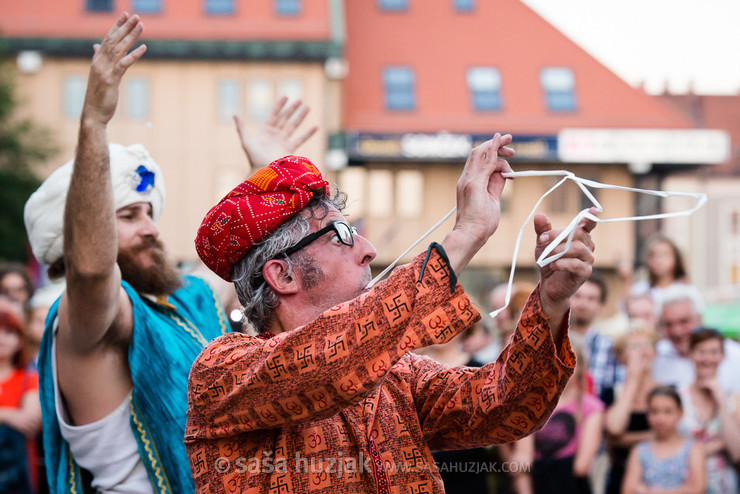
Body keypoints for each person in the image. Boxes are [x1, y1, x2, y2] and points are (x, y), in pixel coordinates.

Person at [185, 120, 598, 492]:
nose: (368, 250)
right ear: (283, 275)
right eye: (341, 235)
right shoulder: (221, 371)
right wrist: (465, 234)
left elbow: (507, 405)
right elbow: (329, 362)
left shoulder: (397, 372)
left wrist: (552, 301)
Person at [21, 14, 316, 494]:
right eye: (129, 215)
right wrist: (94, 123)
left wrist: (266, 167)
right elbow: (94, 269)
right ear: (79, 233)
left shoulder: (182, 306)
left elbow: (235, 254)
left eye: (150, 212)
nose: (152, 228)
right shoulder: (87, 319)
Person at [517, 337, 606, 494]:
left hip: (571, 485)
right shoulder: (529, 406)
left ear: (581, 368)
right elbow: (522, 461)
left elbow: (582, 467)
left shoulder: (591, 408)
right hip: (538, 483)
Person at [677, 328, 740, 494]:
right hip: (682, 483)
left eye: (714, 352)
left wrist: (719, 397)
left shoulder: (733, 399)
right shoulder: (677, 397)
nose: (707, 358)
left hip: (723, 485)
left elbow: (737, 452)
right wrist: (717, 445)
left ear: (723, 356)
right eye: (701, 351)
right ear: (690, 354)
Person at [652, 284, 740, 392]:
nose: (677, 331)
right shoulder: (655, 357)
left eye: (683, 321)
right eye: (669, 324)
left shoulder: (734, 356)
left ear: (699, 318)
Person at [603, 325, 659, 494]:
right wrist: (633, 381)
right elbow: (613, 429)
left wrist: (625, 439)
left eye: (647, 345)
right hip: (622, 476)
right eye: (633, 347)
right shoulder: (611, 392)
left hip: (661, 478)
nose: (641, 352)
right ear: (620, 356)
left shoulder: (670, 390)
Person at [621, 386, 705, 494]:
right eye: (654, 411)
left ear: (680, 413)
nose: (660, 419)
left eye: (668, 411)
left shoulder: (693, 448)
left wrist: (649, 492)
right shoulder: (640, 450)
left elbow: (698, 489)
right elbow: (628, 489)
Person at [0, 309, 42, 494]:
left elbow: (30, 421)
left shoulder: (28, 378)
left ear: (19, 340)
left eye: (9, 332)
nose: (2, 338)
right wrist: (9, 415)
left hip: (17, 476)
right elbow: (19, 418)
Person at [569, 271, 621, 399]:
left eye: (591, 298)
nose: (583, 304)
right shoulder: (554, 340)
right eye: (577, 296)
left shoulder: (610, 347)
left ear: (602, 306)